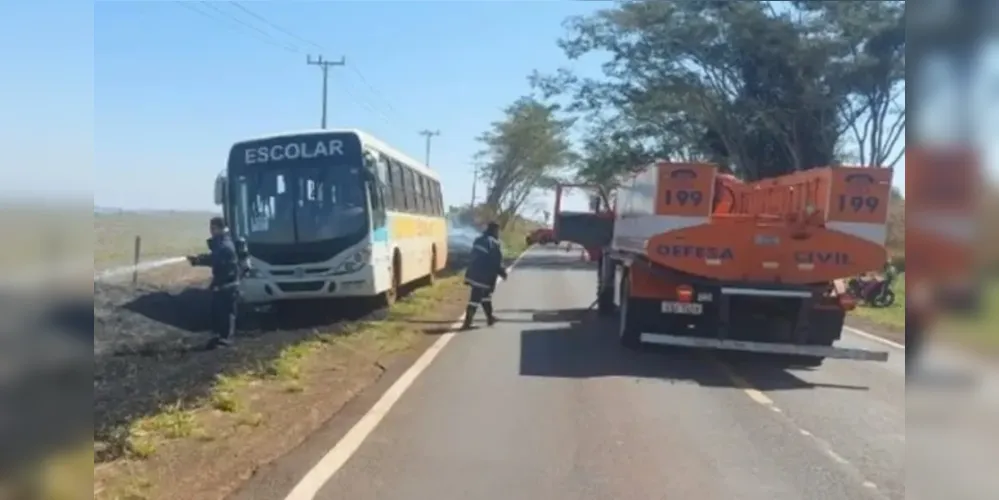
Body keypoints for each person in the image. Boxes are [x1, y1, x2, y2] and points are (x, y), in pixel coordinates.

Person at [187, 216, 241, 349]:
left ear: (218, 228)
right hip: (223, 284)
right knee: (218, 312)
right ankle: (220, 337)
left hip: (227, 286)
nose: (211, 231)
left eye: (213, 228)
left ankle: (226, 340)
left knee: (226, 313)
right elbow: (214, 257)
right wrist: (198, 259)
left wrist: (198, 261)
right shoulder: (222, 242)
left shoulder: (225, 245)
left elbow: (215, 259)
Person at [460, 221, 508, 330]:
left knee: (485, 297)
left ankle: (490, 318)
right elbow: (496, 261)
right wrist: (502, 272)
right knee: (475, 298)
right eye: (498, 231)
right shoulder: (493, 243)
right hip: (484, 276)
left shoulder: (479, 239)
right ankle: (467, 323)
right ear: (494, 231)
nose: (498, 233)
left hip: (473, 273)